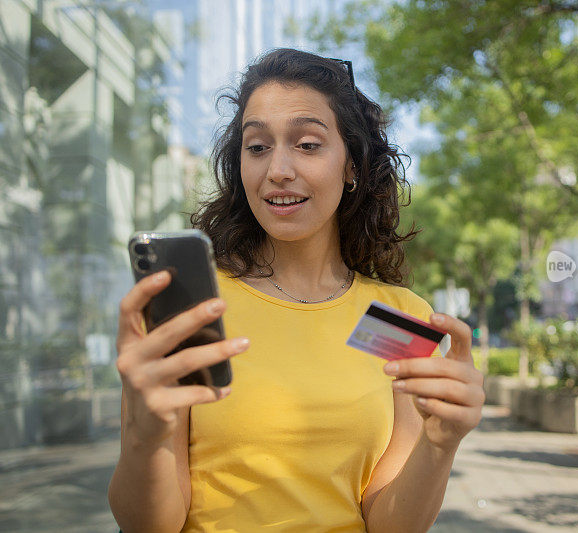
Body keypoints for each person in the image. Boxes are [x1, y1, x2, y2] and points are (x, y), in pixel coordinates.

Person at [108, 48, 484, 533]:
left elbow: (391, 524)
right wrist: (145, 435)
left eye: (307, 144)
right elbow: (150, 525)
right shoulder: (193, 309)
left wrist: (441, 442)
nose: (277, 169)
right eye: (258, 146)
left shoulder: (397, 316)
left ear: (352, 166)